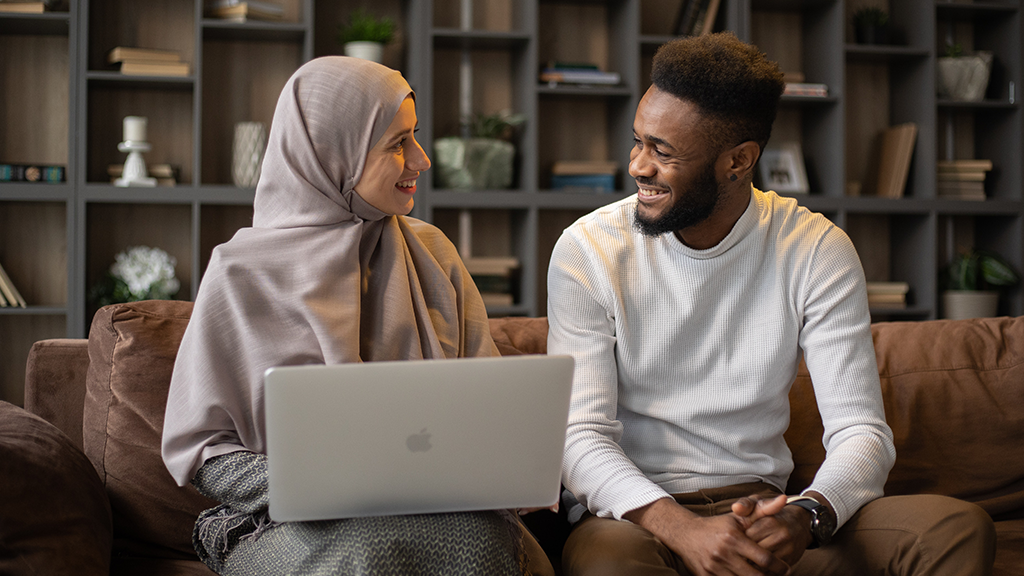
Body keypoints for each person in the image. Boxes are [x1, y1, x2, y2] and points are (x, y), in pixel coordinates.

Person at [547, 32, 996, 576]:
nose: (638, 166)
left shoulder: (815, 249)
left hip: (763, 512)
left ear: (737, 161)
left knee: (954, 529)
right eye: (639, 141)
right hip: (636, 521)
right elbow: (579, 436)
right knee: (607, 566)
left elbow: (861, 433)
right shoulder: (587, 249)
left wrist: (806, 517)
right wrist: (683, 529)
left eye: (662, 152)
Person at [161, 56, 552, 576]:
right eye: (397, 144)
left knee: (477, 544)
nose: (421, 160)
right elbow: (203, 450)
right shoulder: (240, 272)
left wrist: (508, 467)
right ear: (331, 153)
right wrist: (313, 484)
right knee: (368, 553)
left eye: (416, 137)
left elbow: (491, 405)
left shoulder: (432, 253)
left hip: (442, 513)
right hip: (286, 523)